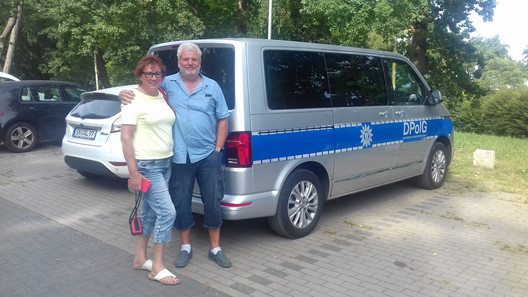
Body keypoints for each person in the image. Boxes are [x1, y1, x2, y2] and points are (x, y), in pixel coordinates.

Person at [120, 43, 231, 268]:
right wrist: (123, 94)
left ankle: (215, 248)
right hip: (178, 156)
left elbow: (223, 119)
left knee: (212, 201)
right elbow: (142, 91)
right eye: (185, 59)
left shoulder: (213, 86)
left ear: (200, 63)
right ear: (179, 62)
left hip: (207, 154)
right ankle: (185, 247)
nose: (190, 63)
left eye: (194, 60)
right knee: (180, 203)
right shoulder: (166, 84)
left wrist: (217, 149)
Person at [121, 56, 180, 285]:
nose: (154, 78)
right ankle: (157, 266)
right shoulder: (132, 99)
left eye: (158, 74)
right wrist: (133, 172)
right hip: (146, 165)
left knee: (150, 213)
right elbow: (126, 137)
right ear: (140, 75)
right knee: (168, 212)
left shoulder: (161, 96)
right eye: (149, 74)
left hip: (165, 162)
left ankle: (139, 258)